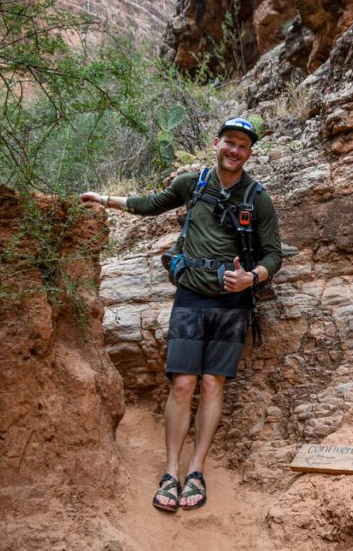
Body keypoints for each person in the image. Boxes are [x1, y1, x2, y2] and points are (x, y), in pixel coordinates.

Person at [81, 117, 282, 512]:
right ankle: (170, 471)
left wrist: (251, 279)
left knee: (212, 384)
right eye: (229, 142)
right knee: (182, 385)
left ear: (249, 152)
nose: (234, 151)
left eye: (242, 146)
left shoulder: (257, 197)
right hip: (191, 295)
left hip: (232, 302)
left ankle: (196, 470)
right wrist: (104, 200)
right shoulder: (194, 184)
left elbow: (274, 254)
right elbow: (150, 205)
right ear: (216, 143)